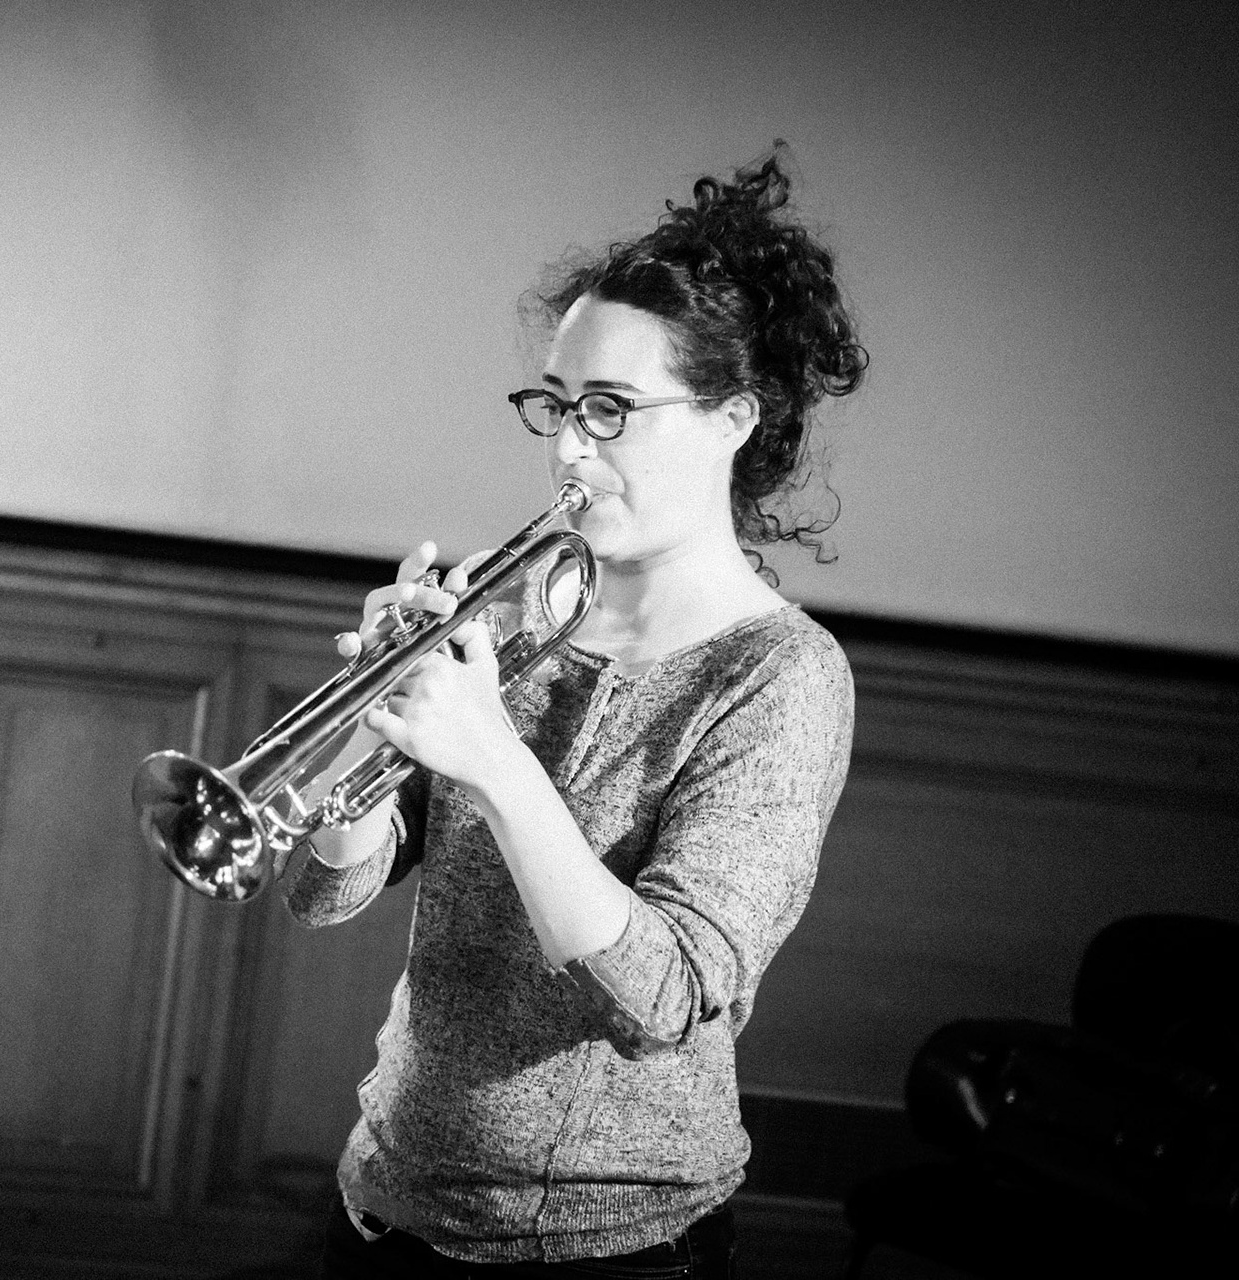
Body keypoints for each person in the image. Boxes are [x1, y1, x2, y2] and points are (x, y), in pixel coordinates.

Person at [286, 151, 867, 1278]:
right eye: (556, 406)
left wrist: (497, 760)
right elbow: (325, 888)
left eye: (610, 410)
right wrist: (378, 705)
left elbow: (664, 994)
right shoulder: (515, 607)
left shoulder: (781, 677)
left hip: (610, 1247)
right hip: (388, 1197)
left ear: (732, 417)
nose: (567, 446)